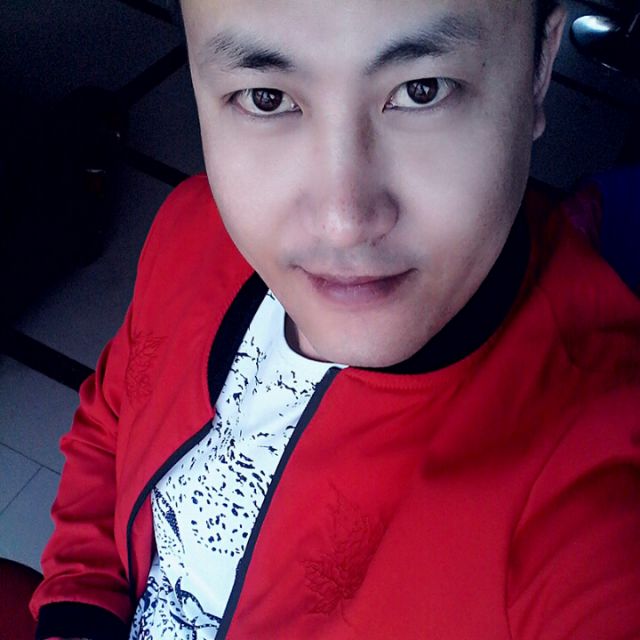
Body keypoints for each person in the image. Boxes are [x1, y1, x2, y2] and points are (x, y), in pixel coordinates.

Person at [30, 0, 640, 638]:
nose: (342, 222)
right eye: (266, 98)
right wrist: (80, 608)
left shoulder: (582, 474)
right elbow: (110, 422)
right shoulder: (192, 229)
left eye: (422, 90)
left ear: (541, 67)